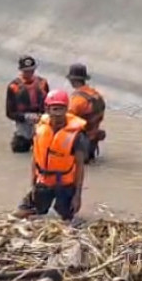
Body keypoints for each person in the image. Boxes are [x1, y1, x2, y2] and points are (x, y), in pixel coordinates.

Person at [14, 90, 88, 221]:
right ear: (47, 109)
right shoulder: (40, 128)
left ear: (67, 109)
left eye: (61, 109)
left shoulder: (77, 136)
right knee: (19, 214)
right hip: (43, 182)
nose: (58, 114)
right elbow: (35, 158)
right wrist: (32, 185)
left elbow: (80, 167)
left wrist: (78, 195)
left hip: (65, 186)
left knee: (65, 221)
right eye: (55, 109)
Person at [5, 55, 50, 153]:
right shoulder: (13, 86)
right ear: (20, 70)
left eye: (31, 70)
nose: (29, 73)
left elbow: (49, 106)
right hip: (23, 127)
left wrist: (42, 117)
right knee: (18, 149)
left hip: (41, 125)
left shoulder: (43, 83)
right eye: (26, 71)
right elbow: (9, 113)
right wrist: (26, 117)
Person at [66, 63, 106, 163]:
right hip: (93, 143)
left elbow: (66, 122)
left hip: (81, 144)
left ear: (72, 80)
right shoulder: (96, 95)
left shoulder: (77, 100)